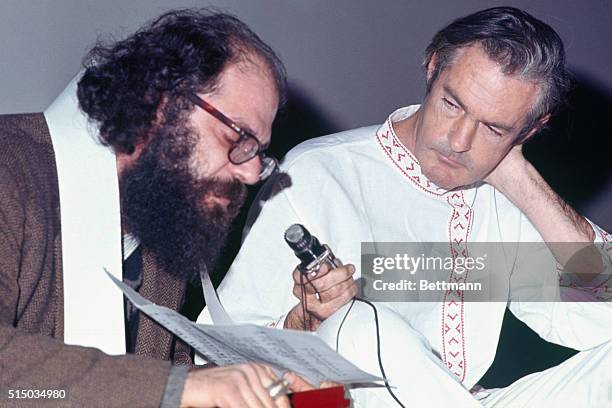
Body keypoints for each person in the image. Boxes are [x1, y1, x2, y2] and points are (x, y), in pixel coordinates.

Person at [197, 7, 612, 407]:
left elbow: (601, 318)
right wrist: (302, 321)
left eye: (493, 127)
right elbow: (219, 350)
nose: (460, 141)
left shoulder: (500, 196)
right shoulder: (317, 173)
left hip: (468, 399)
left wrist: (521, 180)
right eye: (453, 105)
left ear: (530, 129)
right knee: (359, 326)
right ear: (432, 67)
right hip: (341, 400)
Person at [0, 8, 310, 408]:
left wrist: (253, 384)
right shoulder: (9, 169)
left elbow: (147, 372)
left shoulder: (163, 217)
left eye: (258, 152)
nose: (253, 174)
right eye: (238, 137)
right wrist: (183, 388)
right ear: (158, 102)